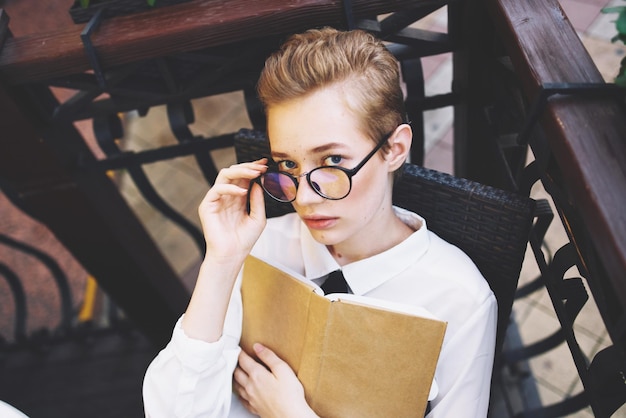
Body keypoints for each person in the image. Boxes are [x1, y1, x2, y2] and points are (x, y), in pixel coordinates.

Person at [143, 27, 497, 417]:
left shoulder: (461, 300)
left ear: (394, 149)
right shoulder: (259, 247)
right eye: (288, 165)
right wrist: (221, 262)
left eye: (332, 162)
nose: (304, 198)